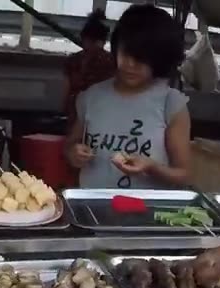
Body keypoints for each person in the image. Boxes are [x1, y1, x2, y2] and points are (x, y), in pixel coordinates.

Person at [65, 5, 190, 189]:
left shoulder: (171, 104)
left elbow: (184, 174)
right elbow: (70, 145)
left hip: (146, 213)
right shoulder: (91, 97)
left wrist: (152, 167)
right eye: (125, 54)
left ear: (160, 59)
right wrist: (74, 153)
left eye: (141, 59)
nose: (130, 64)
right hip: (94, 208)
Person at [63, 10, 116, 127]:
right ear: (103, 40)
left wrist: (65, 108)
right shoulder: (111, 61)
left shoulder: (73, 60)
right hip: (101, 111)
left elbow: (66, 89)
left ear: (84, 38)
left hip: (76, 111)